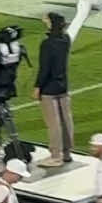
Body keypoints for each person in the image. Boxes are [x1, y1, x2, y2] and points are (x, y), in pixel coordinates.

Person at [34, 12, 74, 169]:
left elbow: (45, 69)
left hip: (49, 88)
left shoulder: (47, 44)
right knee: (66, 120)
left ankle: (56, 156)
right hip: (63, 85)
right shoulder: (66, 39)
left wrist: (38, 86)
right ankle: (67, 153)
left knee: (54, 123)